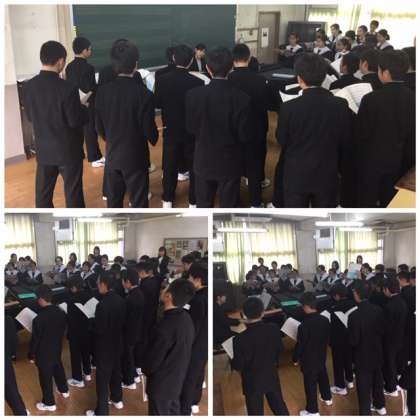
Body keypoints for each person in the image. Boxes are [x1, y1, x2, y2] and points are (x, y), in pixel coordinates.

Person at [274, 53, 352, 207]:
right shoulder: (340, 105)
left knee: (296, 215)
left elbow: (281, 139)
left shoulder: (288, 107)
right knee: (323, 216)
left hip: (296, 174)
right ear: (323, 77)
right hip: (327, 173)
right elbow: (345, 139)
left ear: (299, 78)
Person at [24, 40, 88, 208]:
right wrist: (83, 109)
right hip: (68, 151)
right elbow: (74, 120)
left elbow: (30, 116)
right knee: (73, 194)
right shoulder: (68, 88)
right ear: (60, 61)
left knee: (43, 196)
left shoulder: (29, 86)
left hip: (44, 150)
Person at [95, 40, 158, 208]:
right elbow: (149, 129)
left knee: (114, 202)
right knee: (139, 201)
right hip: (136, 157)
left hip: (113, 156)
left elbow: (99, 126)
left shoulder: (102, 92)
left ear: (114, 65)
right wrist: (154, 137)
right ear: (136, 64)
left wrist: (110, 138)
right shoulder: (144, 94)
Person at [186, 47, 251, 207]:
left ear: (208, 69)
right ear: (231, 67)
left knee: (203, 204)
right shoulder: (242, 98)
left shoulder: (193, 95)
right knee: (228, 207)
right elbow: (244, 135)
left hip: (203, 159)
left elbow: (191, 128)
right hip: (230, 161)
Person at [356, 50, 415, 207]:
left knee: (367, 200)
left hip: (372, 162)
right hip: (403, 162)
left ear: (386, 73)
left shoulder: (371, 99)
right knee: (391, 201)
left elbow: (361, 134)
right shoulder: (414, 98)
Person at [154, 44, 204, 208]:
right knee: (193, 165)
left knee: (169, 165)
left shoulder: (162, 80)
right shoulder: (197, 82)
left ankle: (167, 199)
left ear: (174, 58)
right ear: (191, 61)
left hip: (170, 129)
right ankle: (193, 201)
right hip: (191, 131)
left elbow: (157, 103)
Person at [143, 278, 196, 415]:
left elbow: (152, 362)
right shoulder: (186, 318)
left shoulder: (164, 327)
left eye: (166, 288)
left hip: (161, 385)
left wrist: (145, 368)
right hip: (177, 380)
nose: (163, 289)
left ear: (169, 296)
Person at [228, 43, 270, 207]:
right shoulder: (261, 80)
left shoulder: (228, 79)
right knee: (255, 165)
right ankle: (256, 203)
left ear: (233, 60)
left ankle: (234, 202)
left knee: (233, 165)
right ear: (249, 58)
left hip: (233, 130)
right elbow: (267, 104)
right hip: (256, 129)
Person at [232, 297, 289, 415]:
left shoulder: (239, 339)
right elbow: (280, 350)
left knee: (255, 411)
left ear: (244, 314)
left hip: (252, 380)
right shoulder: (273, 328)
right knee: (279, 406)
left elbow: (238, 365)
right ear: (263, 312)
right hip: (271, 375)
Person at [86, 272, 126, 416]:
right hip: (118, 343)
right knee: (116, 372)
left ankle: (101, 412)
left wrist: (91, 322)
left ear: (103, 284)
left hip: (104, 347)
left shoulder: (102, 305)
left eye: (98, 284)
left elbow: (99, 330)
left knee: (102, 379)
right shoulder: (121, 300)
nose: (97, 286)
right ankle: (117, 399)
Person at [348, 280, 386, 415]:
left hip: (362, 355)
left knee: (363, 386)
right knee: (378, 380)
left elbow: (354, 340)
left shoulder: (354, 316)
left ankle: (365, 413)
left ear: (357, 295)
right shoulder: (379, 310)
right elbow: (382, 332)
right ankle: (380, 406)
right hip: (377, 351)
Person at [65, 36, 104, 168]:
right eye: (89, 49)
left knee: (77, 130)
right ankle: (95, 157)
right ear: (84, 51)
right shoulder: (89, 68)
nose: (90, 51)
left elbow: (70, 86)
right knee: (90, 130)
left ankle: (78, 154)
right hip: (88, 103)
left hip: (74, 102)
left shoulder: (69, 67)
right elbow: (91, 88)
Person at [29, 285, 68, 412]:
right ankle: (64, 390)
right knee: (58, 368)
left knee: (45, 378)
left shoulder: (39, 319)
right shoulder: (61, 312)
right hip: (57, 348)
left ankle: (49, 403)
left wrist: (31, 355)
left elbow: (35, 341)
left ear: (41, 299)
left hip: (43, 353)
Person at [295, 292, 332, 416]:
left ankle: (312, 411)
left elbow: (300, 345)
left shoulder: (304, 325)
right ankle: (327, 398)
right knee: (323, 376)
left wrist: (295, 358)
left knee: (310, 384)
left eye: (302, 306)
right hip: (321, 354)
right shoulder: (325, 319)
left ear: (306, 306)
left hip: (309, 359)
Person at [180, 264, 208, 415]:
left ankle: (185, 409)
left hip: (195, 343)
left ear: (198, 280)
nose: (189, 281)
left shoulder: (197, 299)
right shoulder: (209, 294)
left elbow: (193, 326)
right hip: (205, 343)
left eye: (190, 278)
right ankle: (194, 402)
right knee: (198, 373)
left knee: (190, 376)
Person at [136, 261, 163, 376]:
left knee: (142, 340)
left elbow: (141, 302)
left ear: (142, 272)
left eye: (138, 272)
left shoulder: (144, 284)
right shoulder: (155, 281)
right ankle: (143, 361)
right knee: (147, 338)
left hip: (144, 315)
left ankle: (139, 364)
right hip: (152, 313)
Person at [329, 284, 356, 395]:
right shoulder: (354, 304)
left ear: (336, 296)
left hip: (338, 341)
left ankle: (340, 387)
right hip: (351, 338)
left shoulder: (335, 309)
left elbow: (332, 328)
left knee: (338, 363)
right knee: (349, 359)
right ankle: (350, 380)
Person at [382, 276, 408, 396]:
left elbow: (387, 327)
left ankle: (391, 388)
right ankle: (395, 383)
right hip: (400, 337)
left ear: (387, 289)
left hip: (390, 339)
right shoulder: (402, 301)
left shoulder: (389, 306)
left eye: (384, 289)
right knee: (396, 362)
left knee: (390, 363)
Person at [65, 276, 92, 388]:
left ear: (74, 287)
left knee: (75, 355)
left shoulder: (71, 301)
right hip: (87, 330)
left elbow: (70, 319)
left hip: (75, 332)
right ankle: (87, 373)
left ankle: (78, 379)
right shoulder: (89, 296)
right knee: (86, 352)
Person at [121, 268, 145, 390]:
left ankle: (129, 382)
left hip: (129, 331)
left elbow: (126, 317)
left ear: (128, 282)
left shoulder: (130, 297)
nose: (122, 284)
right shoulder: (139, 293)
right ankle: (134, 375)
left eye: (123, 281)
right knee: (131, 354)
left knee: (128, 356)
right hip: (137, 329)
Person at [5, 315, 28, 415]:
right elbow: (14, 339)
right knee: (10, 387)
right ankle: (21, 411)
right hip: (5, 358)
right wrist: (11, 354)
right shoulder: (7, 319)